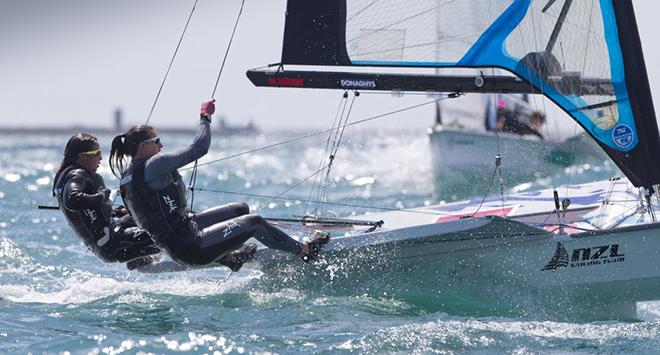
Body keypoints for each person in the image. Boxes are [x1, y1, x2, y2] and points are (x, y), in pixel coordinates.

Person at [108, 99, 330, 270]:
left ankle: (231, 259)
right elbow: (199, 148)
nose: (161, 145)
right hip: (191, 247)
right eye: (156, 141)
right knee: (254, 222)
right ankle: (305, 250)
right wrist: (205, 117)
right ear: (143, 146)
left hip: (180, 238)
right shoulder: (154, 165)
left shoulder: (127, 177)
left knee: (240, 209)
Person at [52, 133, 162, 270]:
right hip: (115, 243)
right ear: (82, 156)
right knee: (167, 229)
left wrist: (116, 211)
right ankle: (187, 249)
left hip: (106, 244)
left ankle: (140, 260)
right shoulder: (78, 175)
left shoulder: (66, 174)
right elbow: (73, 200)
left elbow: (89, 212)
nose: (101, 157)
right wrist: (102, 195)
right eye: (96, 153)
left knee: (142, 215)